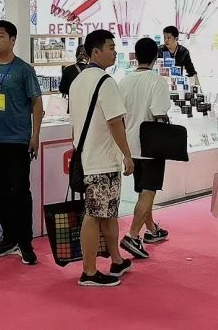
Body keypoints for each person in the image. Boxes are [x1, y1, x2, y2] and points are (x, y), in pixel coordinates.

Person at [0, 20, 43, 265]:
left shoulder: (24, 69)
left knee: (20, 192)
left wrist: (35, 136)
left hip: (18, 140)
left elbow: (36, 103)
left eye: (0, 36)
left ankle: (25, 242)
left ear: (12, 40)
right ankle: (9, 239)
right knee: (1, 192)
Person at [70, 29, 133, 287]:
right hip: (102, 159)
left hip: (87, 157)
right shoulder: (106, 82)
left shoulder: (78, 81)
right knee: (95, 215)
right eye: (110, 47)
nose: (114, 52)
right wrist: (127, 154)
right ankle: (89, 271)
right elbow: (115, 122)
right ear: (95, 52)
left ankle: (116, 259)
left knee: (107, 213)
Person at [118, 37, 171, 259]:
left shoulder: (123, 82)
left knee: (142, 191)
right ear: (156, 57)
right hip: (151, 146)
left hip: (130, 145)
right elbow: (159, 114)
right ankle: (132, 235)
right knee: (149, 191)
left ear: (135, 56)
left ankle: (152, 229)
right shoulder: (157, 82)